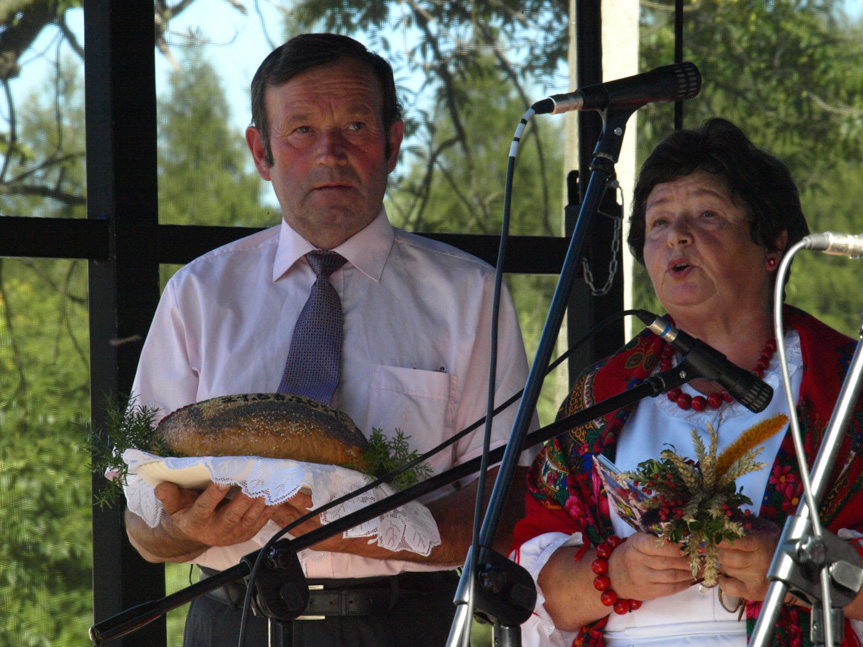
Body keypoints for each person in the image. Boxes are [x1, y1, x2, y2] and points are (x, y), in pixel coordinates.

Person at [125, 33, 536, 647]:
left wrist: (375, 527)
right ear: (260, 152)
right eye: (301, 131)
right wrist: (194, 530)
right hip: (230, 622)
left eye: (355, 126)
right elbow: (141, 522)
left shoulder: (471, 297)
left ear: (393, 143)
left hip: (402, 625)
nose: (330, 154)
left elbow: (508, 502)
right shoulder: (199, 294)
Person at [509, 118, 863, 647]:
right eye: (658, 222)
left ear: (773, 243)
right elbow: (534, 592)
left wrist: (795, 566)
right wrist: (615, 575)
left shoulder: (847, 383)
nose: (676, 235)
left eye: (707, 214)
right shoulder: (601, 396)